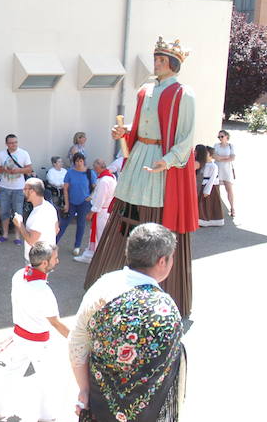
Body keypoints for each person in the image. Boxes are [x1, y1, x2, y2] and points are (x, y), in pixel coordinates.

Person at [84, 37, 197, 318]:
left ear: (173, 64)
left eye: (161, 60)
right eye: (156, 58)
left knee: (155, 217)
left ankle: (157, 286)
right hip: (139, 157)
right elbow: (144, 125)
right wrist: (125, 132)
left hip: (160, 163)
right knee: (126, 212)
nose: (156, 63)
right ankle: (114, 277)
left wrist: (169, 161)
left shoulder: (185, 94)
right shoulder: (145, 90)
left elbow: (186, 137)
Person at [70, 223, 185, 422]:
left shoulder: (102, 287)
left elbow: (76, 343)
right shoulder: (165, 309)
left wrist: (85, 390)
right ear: (162, 261)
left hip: (100, 409)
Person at [0, 241, 69, 422]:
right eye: (54, 258)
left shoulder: (19, 275)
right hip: (38, 341)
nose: (57, 261)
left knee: (11, 372)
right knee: (48, 377)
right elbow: (55, 323)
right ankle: (47, 414)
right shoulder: (43, 291)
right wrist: (78, 339)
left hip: (19, 336)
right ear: (44, 263)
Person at [76, 159, 116, 264]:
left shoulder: (104, 181)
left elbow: (100, 198)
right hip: (106, 210)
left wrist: (92, 212)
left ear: (99, 166)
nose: (93, 168)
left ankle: (97, 256)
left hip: (102, 211)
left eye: (94, 165)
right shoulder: (109, 178)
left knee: (99, 235)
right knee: (98, 234)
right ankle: (93, 254)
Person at [0, 134, 33, 245]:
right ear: (7, 144)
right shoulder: (1, 154)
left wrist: (18, 171)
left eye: (15, 142)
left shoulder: (24, 153)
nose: (14, 145)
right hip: (5, 187)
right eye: (11, 143)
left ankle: (17, 236)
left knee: (18, 213)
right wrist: (4, 169)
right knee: (4, 212)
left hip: (18, 188)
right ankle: (5, 234)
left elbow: (29, 169)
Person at [57, 153, 97, 256]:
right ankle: (54, 242)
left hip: (84, 202)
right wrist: (66, 204)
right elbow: (65, 188)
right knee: (64, 222)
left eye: (81, 161)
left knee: (81, 223)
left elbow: (96, 187)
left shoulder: (89, 173)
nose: (79, 163)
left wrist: (91, 196)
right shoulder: (70, 172)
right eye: (77, 161)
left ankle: (77, 246)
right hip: (71, 201)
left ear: (84, 161)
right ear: (73, 162)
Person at [12, 178, 59, 264]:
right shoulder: (49, 207)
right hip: (45, 258)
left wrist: (19, 224)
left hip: (36, 261)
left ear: (32, 191)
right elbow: (56, 230)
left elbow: (31, 241)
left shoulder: (39, 213)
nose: (23, 192)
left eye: (25, 189)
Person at [198, 146, 224, 227]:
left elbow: (212, 179)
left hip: (211, 187)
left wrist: (207, 190)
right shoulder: (203, 165)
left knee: (210, 204)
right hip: (203, 185)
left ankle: (212, 220)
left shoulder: (214, 166)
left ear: (210, 155)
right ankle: (202, 220)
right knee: (203, 204)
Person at [213, 129, 236, 217]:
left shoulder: (230, 146)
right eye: (219, 137)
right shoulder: (216, 145)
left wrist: (221, 157)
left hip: (227, 170)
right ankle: (217, 209)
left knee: (229, 189)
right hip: (218, 169)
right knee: (216, 190)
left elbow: (232, 158)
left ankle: (232, 208)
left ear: (227, 137)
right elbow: (215, 157)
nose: (220, 138)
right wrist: (225, 157)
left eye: (222, 136)